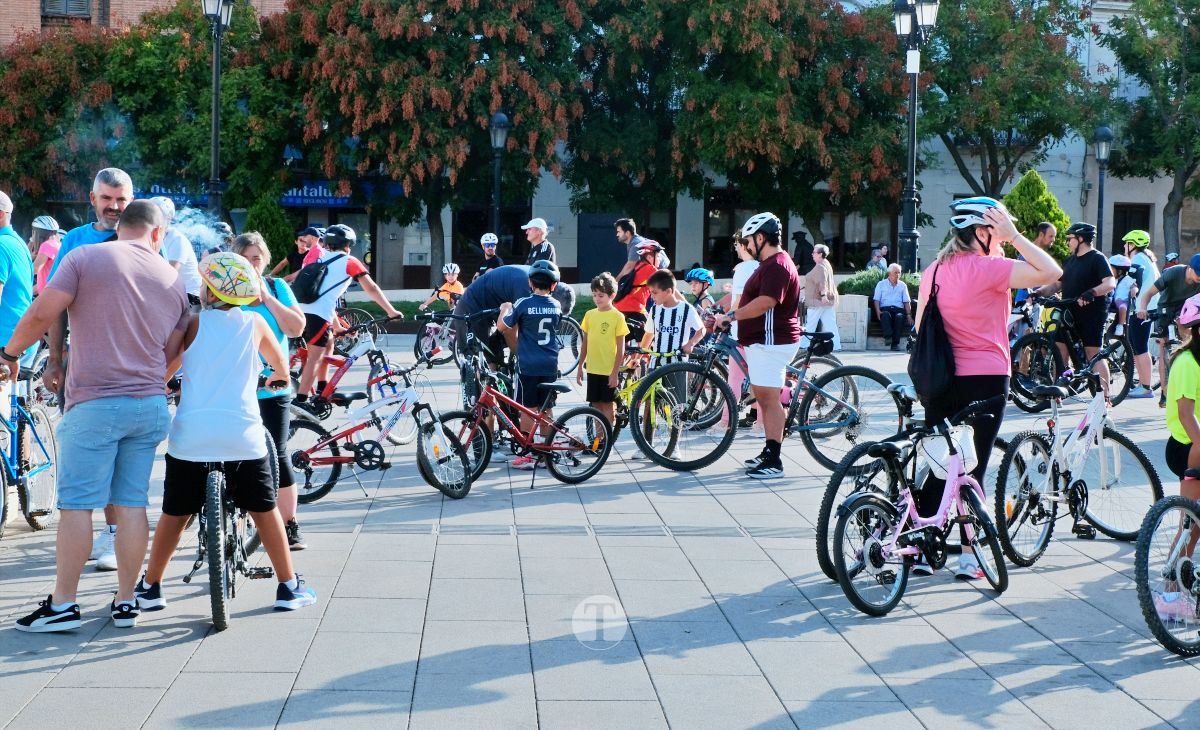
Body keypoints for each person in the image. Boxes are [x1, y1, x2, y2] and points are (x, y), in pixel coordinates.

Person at [8, 200, 189, 632]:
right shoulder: (172, 279)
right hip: (148, 406)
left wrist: (8, 352)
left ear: (120, 225)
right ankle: (126, 601)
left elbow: (40, 312)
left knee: (76, 507)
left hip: (95, 402)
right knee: (130, 504)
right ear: (158, 233)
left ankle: (63, 605)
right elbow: (174, 354)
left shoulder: (85, 257)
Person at [135, 252, 317, 618]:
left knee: (175, 512)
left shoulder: (190, 323)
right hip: (243, 436)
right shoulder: (255, 323)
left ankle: (151, 587)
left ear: (209, 291)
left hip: (191, 438)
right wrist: (276, 377)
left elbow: (164, 369)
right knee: (265, 510)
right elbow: (281, 367)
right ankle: (289, 586)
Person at [912, 196, 1061, 580]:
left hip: (939, 379)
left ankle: (923, 548)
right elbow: (1050, 271)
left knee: (941, 464)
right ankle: (967, 556)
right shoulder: (990, 268)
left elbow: (918, 327)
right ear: (982, 233)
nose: (1000, 240)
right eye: (996, 232)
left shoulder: (933, 271)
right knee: (971, 467)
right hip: (985, 377)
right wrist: (1015, 237)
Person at [45, 167, 135, 573]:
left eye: (122, 199)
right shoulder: (76, 241)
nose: (115, 207)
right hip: (84, 367)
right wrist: (54, 359)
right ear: (93, 198)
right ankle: (101, 532)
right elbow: (55, 304)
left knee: (124, 461)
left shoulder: (149, 236)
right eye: (108, 199)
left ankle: (116, 535)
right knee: (87, 458)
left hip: (134, 367)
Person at [713, 212, 803, 480]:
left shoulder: (777, 266)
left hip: (771, 341)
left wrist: (731, 316)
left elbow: (766, 302)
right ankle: (769, 450)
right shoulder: (771, 263)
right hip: (765, 341)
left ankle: (774, 461)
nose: (747, 245)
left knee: (769, 400)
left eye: (749, 240)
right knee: (765, 399)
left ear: (761, 238)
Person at [233, 232, 308, 549]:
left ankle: (289, 524)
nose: (252, 264)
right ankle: (235, 519)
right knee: (233, 454)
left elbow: (296, 328)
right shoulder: (226, 291)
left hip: (273, 388)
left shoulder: (277, 288)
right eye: (245, 258)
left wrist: (267, 298)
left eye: (257, 258)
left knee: (276, 452)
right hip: (235, 388)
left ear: (264, 261)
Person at [295, 224, 401, 408]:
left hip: (300, 312)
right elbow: (372, 288)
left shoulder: (319, 259)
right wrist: (391, 311)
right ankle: (301, 401)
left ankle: (323, 387)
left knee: (329, 343)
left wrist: (337, 327)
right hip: (316, 315)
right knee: (315, 356)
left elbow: (324, 297)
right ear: (348, 244)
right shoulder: (349, 261)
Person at [1032, 222, 1116, 399]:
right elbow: (1058, 284)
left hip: (1091, 312)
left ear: (1080, 239)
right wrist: (1038, 293)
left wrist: (1092, 292)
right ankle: (1058, 394)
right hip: (1069, 311)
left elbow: (1110, 283)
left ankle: (1105, 397)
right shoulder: (1070, 260)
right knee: (1059, 349)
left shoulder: (1097, 258)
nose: (1067, 242)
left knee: (1093, 353)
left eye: (1070, 238)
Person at [497, 260, 562, 470]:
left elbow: (502, 327)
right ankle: (546, 451)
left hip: (528, 365)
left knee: (527, 408)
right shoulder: (556, 305)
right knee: (547, 408)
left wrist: (505, 309)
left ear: (529, 282)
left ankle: (529, 452)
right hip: (550, 364)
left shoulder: (523, 303)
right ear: (554, 285)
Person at [1137, 254, 1200, 407]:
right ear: (1189, 268)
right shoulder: (1174, 272)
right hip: (1165, 309)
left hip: (1185, 311)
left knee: (1188, 340)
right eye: (1198, 273)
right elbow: (1149, 293)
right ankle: (1165, 393)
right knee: (1164, 346)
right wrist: (1142, 308)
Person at [577, 273, 629, 427]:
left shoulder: (617, 317)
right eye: (594, 295)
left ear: (612, 295)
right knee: (595, 405)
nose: (597, 299)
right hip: (592, 368)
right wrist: (580, 366)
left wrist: (615, 373)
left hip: (608, 370)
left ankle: (608, 438)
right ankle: (599, 440)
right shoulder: (589, 315)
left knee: (607, 405)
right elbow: (585, 342)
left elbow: (621, 348)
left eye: (601, 295)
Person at [724, 234, 762, 433]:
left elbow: (738, 300)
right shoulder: (759, 266)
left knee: (735, 379)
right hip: (757, 329)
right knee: (758, 378)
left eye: (737, 244)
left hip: (741, 330)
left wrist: (726, 317)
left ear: (745, 246)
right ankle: (761, 423)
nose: (736, 248)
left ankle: (725, 422)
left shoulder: (743, 269)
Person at [1165, 293, 1200, 497]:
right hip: (1188, 444)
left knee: (1191, 522)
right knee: (1193, 520)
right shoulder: (1187, 362)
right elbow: (1186, 415)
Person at [1123, 230, 1160, 399]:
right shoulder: (1146, 258)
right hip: (1145, 308)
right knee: (1139, 347)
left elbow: (1132, 282)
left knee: (1140, 347)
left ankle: (1145, 387)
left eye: (1127, 243)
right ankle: (1142, 384)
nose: (1124, 246)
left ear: (1134, 245)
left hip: (1141, 310)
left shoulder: (1137, 259)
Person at [149, 197, 203, 306]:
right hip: (171, 294)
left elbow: (169, 273)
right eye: (149, 214)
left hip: (190, 296)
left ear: (168, 219)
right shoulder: (151, 236)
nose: (152, 218)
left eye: (157, 215)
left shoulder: (177, 239)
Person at [613, 240, 663, 345]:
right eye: (658, 256)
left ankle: (624, 360)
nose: (660, 259)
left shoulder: (638, 266)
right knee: (646, 341)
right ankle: (641, 361)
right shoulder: (651, 269)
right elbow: (668, 285)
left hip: (619, 308)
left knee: (624, 342)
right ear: (650, 257)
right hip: (635, 309)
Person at [802, 244, 840, 351]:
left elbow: (822, 283)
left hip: (818, 301)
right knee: (830, 324)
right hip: (827, 300)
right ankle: (837, 346)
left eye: (814, 252)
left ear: (820, 254)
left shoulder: (820, 266)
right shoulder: (826, 264)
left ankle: (804, 344)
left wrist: (823, 296)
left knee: (811, 324)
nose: (812, 254)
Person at [1013, 222, 1057, 306]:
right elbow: (1024, 277)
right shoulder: (1027, 252)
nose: (1053, 239)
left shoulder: (1038, 253)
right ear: (1041, 235)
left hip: (1036, 303)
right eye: (1051, 236)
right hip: (1025, 303)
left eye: (1054, 236)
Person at [872, 263, 912, 350]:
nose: (898, 275)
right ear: (889, 273)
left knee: (900, 317)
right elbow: (876, 300)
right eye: (895, 272)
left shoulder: (902, 285)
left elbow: (906, 301)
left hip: (899, 310)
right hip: (885, 309)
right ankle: (888, 337)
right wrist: (878, 311)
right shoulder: (881, 284)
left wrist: (909, 315)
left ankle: (895, 344)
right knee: (885, 314)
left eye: (899, 272)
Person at [29, 215, 61, 296]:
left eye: (34, 232)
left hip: (49, 296)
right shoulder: (56, 244)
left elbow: (34, 269)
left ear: (37, 232)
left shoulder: (47, 245)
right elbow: (43, 280)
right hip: (52, 293)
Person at [1109, 254, 1136, 345]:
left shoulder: (1127, 279)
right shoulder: (1112, 279)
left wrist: (1134, 290)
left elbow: (1134, 286)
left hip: (1122, 300)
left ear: (1120, 271)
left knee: (1123, 307)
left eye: (1111, 269)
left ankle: (1120, 326)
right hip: (1112, 300)